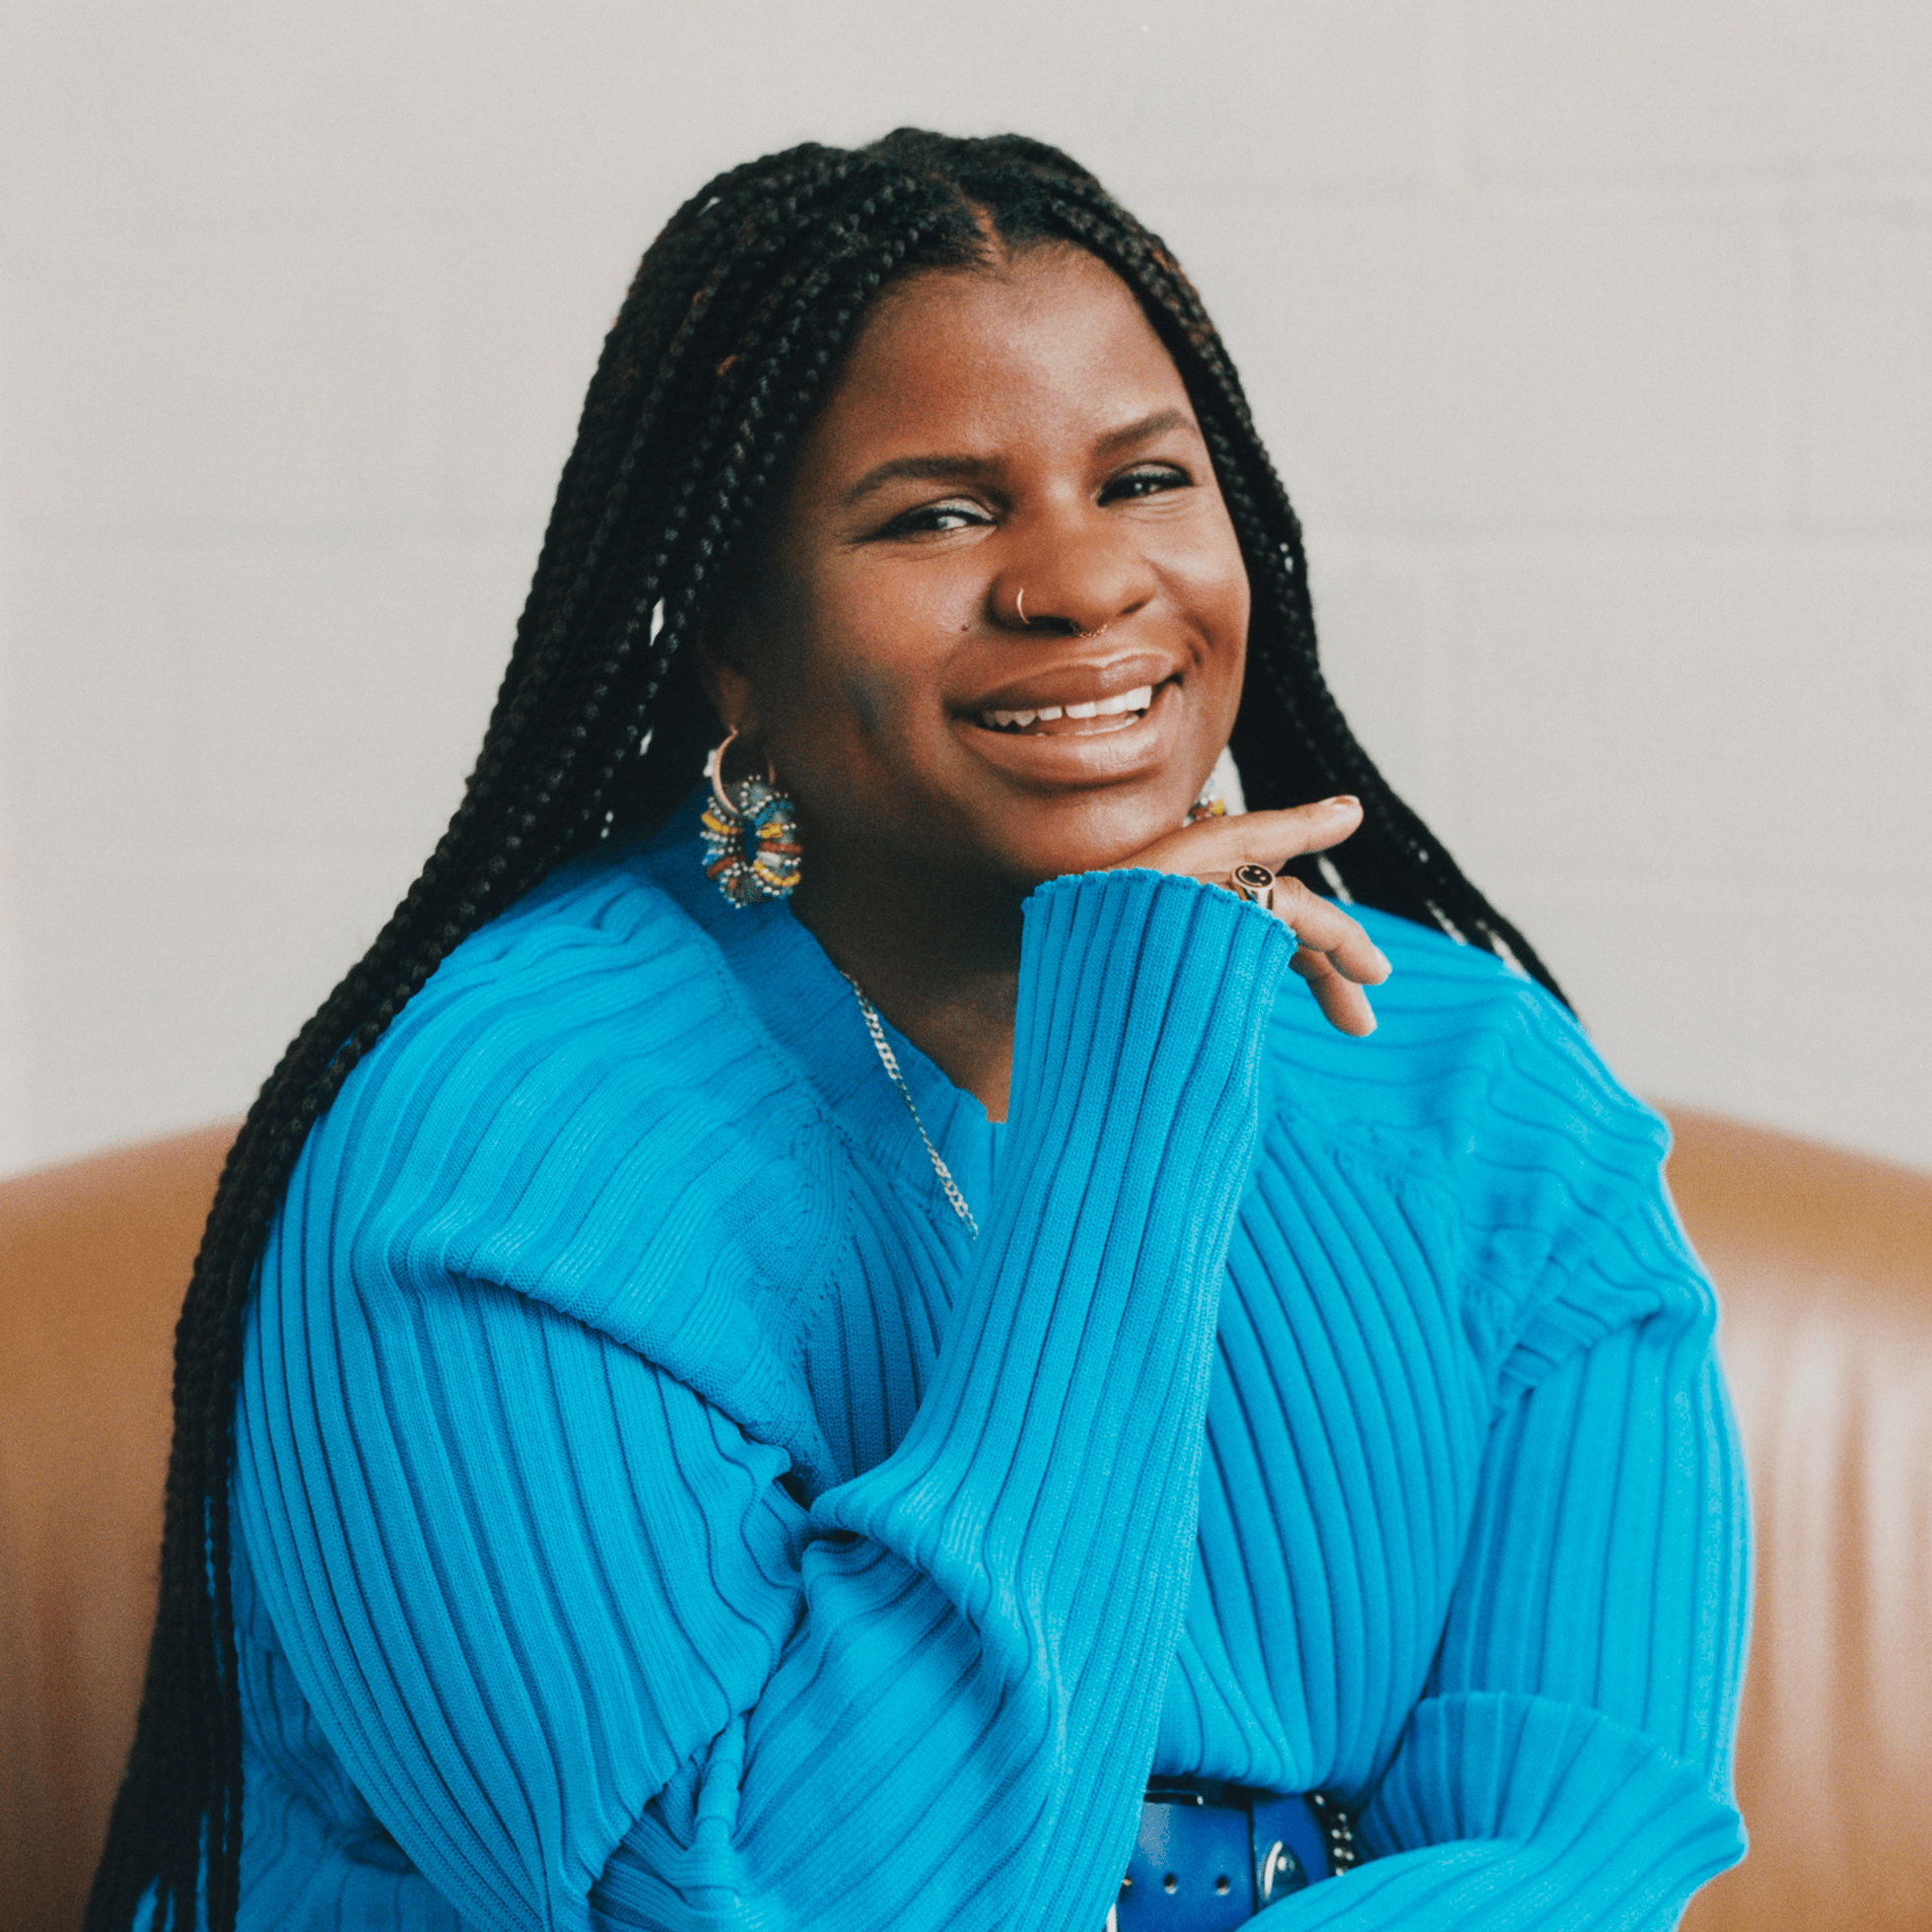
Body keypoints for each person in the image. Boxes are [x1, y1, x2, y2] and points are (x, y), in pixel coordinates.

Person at [89, 130, 1749, 1932]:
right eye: (939, 513)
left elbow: (1580, 1845)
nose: (1078, 581)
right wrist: (1133, 1107)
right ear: (732, 629)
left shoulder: (1489, 1104)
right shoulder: (495, 1156)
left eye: (1144, 482)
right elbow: (769, 1903)